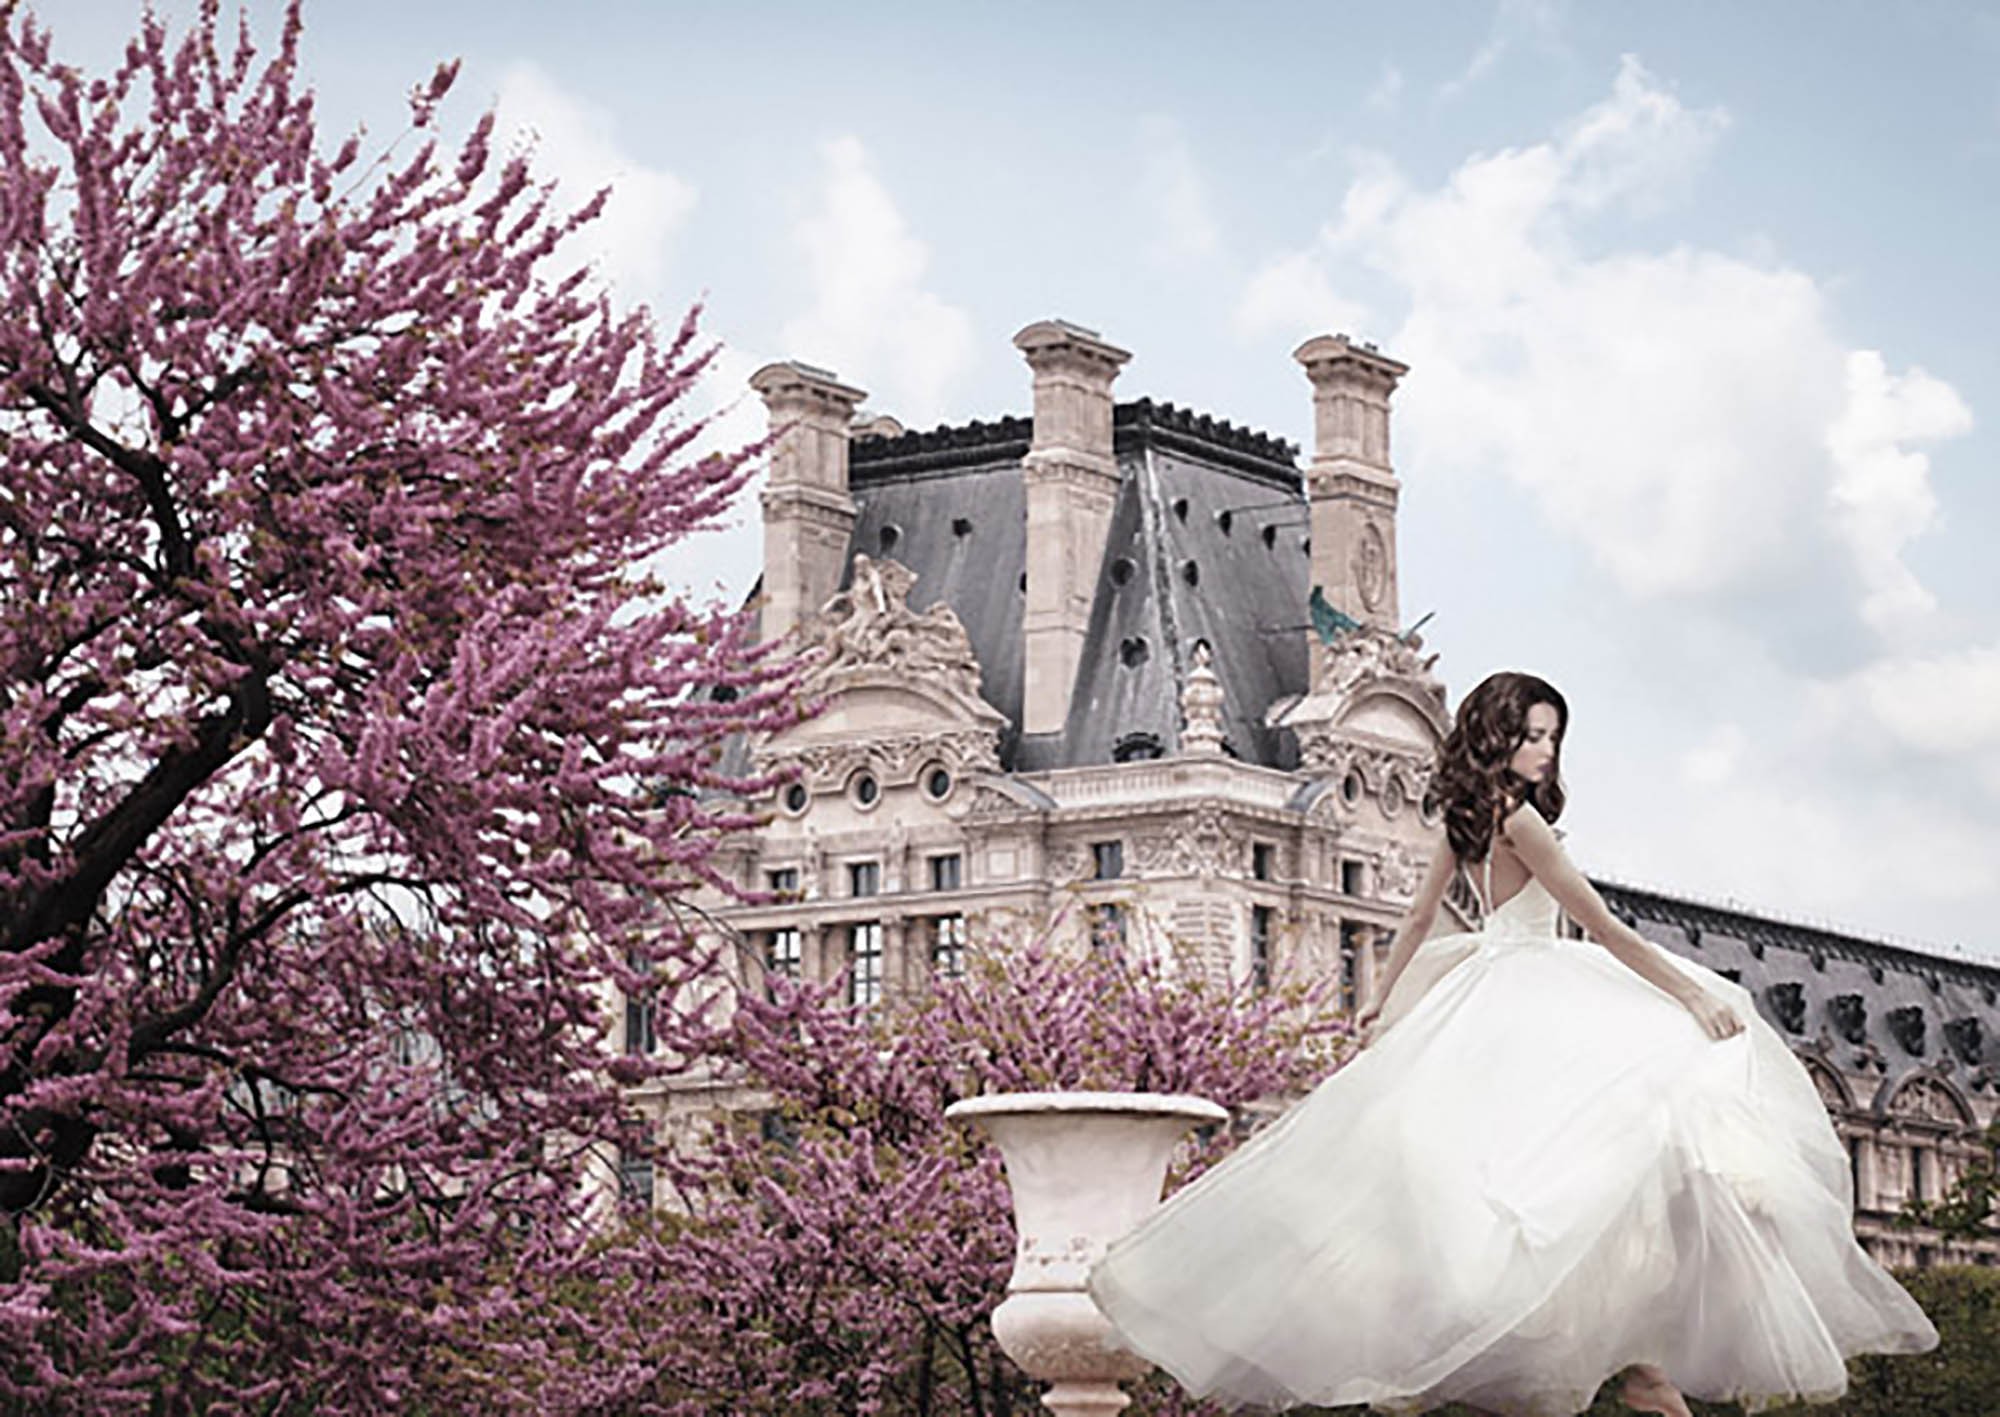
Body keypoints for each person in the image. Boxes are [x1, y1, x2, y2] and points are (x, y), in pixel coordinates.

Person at [1085, 671, 1940, 1416]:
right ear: (1500, 737)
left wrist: (1377, 1012)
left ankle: (1606, 1359)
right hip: (1537, 982)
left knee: (1523, 1184)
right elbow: (1598, 924)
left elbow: (1419, 919)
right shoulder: (1519, 821)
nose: (1545, 751)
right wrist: (1688, 991)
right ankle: (1640, 1361)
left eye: (1553, 738)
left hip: (1486, 991)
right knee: (1627, 1148)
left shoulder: (1464, 816)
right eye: (1533, 736)